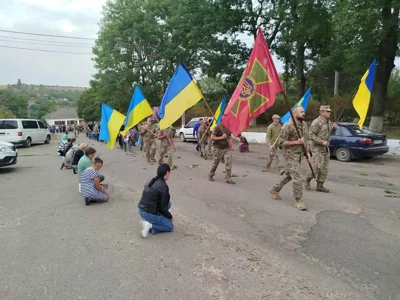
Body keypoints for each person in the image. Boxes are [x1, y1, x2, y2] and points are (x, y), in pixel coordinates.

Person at [269, 106, 310, 211]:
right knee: (297, 177)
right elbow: (281, 143)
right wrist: (296, 142)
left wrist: (308, 153)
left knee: (288, 175)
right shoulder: (287, 126)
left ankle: (275, 189)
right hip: (290, 155)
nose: (303, 113)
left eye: (304, 111)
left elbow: (306, 140)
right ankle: (299, 201)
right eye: (301, 112)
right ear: (295, 114)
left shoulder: (304, 125)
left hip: (299, 155)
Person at [304, 105, 337, 193]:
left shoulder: (328, 122)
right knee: (317, 167)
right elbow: (311, 135)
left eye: (329, 111)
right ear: (322, 112)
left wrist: (334, 129)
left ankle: (320, 185)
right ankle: (307, 179)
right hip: (317, 147)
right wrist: (321, 141)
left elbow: (330, 134)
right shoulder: (316, 122)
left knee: (324, 168)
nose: (329, 113)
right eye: (327, 111)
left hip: (325, 148)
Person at [138, 163, 174, 238]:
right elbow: (163, 208)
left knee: (169, 203)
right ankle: (149, 225)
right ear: (167, 173)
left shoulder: (152, 179)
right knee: (170, 226)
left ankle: (156, 220)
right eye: (169, 173)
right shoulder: (163, 186)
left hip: (141, 209)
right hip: (148, 212)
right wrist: (170, 217)